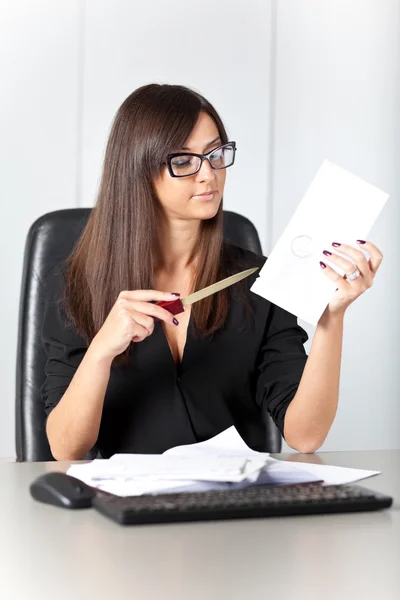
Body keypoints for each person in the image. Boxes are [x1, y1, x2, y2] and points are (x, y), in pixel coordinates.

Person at [41, 83, 383, 461]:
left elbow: (306, 435)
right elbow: (66, 448)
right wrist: (102, 350)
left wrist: (331, 317)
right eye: (183, 160)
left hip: (234, 507)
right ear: (137, 171)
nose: (208, 175)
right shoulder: (77, 285)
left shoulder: (257, 281)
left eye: (215, 154)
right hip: (124, 509)